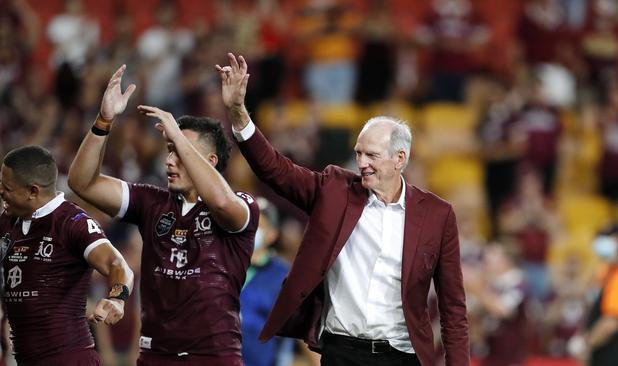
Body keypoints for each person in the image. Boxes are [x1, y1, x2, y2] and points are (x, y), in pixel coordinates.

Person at [217, 53, 469, 366]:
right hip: (342, 354)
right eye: (359, 153)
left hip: (404, 357)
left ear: (400, 159)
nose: (362, 163)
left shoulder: (437, 215)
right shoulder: (334, 190)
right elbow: (275, 170)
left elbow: (453, 308)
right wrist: (239, 114)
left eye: (372, 156)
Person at [68, 65, 259, 365]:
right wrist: (104, 120)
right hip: (156, 356)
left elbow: (221, 202)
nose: (169, 160)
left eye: (178, 151)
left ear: (210, 161)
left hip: (214, 357)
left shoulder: (242, 205)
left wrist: (178, 137)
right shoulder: (152, 202)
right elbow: (82, 182)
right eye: (168, 150)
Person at [0, 145, 134, 365]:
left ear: (33, 191)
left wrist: (117, 298)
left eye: (7, 187)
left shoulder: (73, 222)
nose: (1, 191)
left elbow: (117, 264)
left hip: (69, 358)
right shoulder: (8, 221)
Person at [570, 224, 618, 366]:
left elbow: (611, 322)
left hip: (614, 356)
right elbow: (590, 300)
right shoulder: (606, 269)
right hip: (600, 354)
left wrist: (587, 345)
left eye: (606, 238)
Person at [240, 197, 293, 366]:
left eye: (259, 226)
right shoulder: (222, 263)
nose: (252, 230)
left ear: (272, 234)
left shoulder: (283, 275)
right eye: (248, 223)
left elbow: (291, 334)